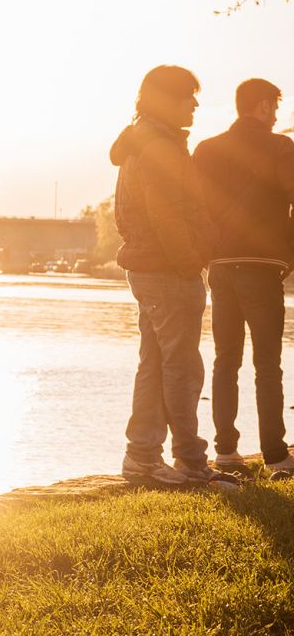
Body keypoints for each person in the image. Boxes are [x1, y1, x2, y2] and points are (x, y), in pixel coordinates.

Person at [112, 65, 238, 489]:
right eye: (189, 96)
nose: (196, 104)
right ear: (165, 100)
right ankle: (190, 462)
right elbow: (167, 216)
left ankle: (142, 457)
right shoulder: (161, 147)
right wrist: (192, 258)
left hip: (153, 268)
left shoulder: (143, 141)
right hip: (168, 270)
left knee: (155, 364)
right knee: (183, 369)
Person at [192, 77, 294, 476]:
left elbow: (195, 206)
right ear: (264, 106)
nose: (276, 114)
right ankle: (276, 457)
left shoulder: (207, 149)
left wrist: (207, 254)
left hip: (220, 266)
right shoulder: (282, 148)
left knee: (225, 361)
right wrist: (289, 256)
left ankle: (227, 452)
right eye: (274, 106)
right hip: (263, 264)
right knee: (267, 364)